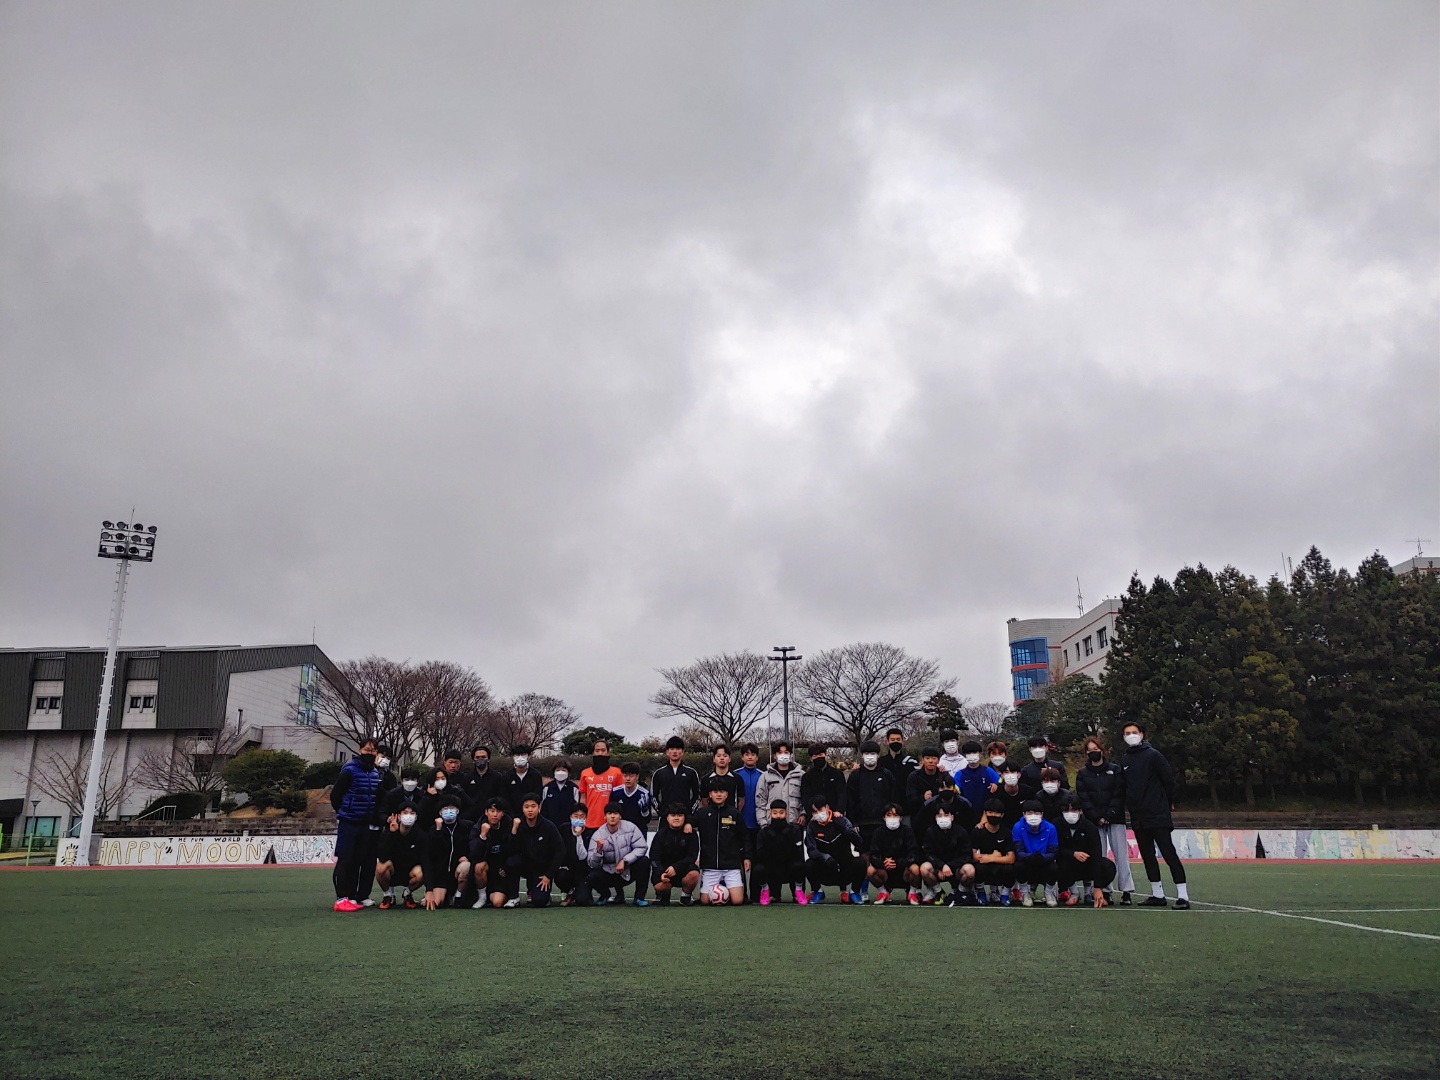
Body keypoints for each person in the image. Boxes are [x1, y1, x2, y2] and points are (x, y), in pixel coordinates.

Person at [1120, 722, 1189, 909]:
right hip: (1138, 817)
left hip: (1158, 814)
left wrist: (1167, 803)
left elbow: (1168, 780)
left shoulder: (1154, 755)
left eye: (1134, 732)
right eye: (1127, 733)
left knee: (1168, 853)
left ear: (1142, 734)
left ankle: (1183, 895)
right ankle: (1157, 894)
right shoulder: (1125, 759)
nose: (1131, 735)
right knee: (1147, 856)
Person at [1075, 736, 1134, 904]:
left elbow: (1119, 794)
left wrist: (1109, 815)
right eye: (1090, 749)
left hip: (1115, 819)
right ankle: (1105, 889)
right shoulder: (1082, 774)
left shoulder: (1115, 770)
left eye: (1096, 748)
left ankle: (1127, 891)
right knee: (1098, 857)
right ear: (1086, 752)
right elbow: (1084, 798)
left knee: (1121, 856)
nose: (1093, 752)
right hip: (1094, 822)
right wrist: (1096, 817)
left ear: (1102, 749)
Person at [329, 737, 383, 911]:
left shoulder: (374, 773)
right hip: (349, 822)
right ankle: (341, 897)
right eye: (367, 750)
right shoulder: (350, 770)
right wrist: (345, 811)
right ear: (360, 750)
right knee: (346, 859)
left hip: (364, 823)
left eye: (373, 750)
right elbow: (335, 795)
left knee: (358, 859)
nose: (370, 753)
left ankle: (352, 896)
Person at [582, 802, 651, 906]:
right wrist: (598, 851)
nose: (613, 816)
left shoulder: (631, 828)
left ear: (620, 816)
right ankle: (605, 895)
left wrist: (625, 860)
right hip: (608, 873)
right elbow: (592, 864)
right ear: (605, 817)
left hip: (627, 870)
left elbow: (641, 847)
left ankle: (639, 898)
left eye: (615, 813)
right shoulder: (597, 835)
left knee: (644, 861)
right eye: (609, 813)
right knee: (592, 876)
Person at [693, 776, 748, 905]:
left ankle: (724, 890)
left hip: (731, 866)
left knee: (738, 900)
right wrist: (689, 824)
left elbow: (744, 837)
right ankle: (719, 890)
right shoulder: (702, 813)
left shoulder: (734, 813)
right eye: (715, 792)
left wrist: (746, 857)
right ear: (710, 795)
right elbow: (688, 820)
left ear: (727, 794)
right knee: (705, 901)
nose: (719, 794)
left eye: (722, 792)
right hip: (710, 867)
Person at [801, 796, 865, 905]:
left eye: (820, 810)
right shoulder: (811, 826)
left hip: (845, 866)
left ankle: (854, 892)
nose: (818, 814)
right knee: (808, 864)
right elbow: (811, 850)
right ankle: (818, 891)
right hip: (826, 867)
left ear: (827, 807)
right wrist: (825, 858)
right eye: (814, 812)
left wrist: (844, 830)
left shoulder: (842, 820)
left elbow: (859, 843)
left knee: (861, 863)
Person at [1057, 792, 1115, 908]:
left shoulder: (1090, 828)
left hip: (1087, 865)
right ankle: (1074, 893)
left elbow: (1097, 856)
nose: (1070, 814)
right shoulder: (1056, 825)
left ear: (1080, 811)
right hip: (1068, 865)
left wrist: (1098, 887)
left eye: (1073, 810)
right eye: (1067, 811)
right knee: (1058, 864)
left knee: (1107, 866)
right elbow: (1055, 849)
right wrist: (1073, 853)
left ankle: (1093, 892)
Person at [846, 740, 897, 864]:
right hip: (862, 825)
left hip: (882, 823)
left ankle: (885, 882)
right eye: (867, 753)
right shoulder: (855, 776)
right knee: (865, 856)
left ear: (878, 755)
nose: (870, 756)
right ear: (862, 755)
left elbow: (893, 798)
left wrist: (891, 817)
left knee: (885, 854)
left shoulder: (886, 774)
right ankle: (864, 883)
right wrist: (854, 822)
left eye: (873, 753)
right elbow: (850, 800)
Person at [510, 792, 565, 907]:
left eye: (533, 806)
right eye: (526, 807)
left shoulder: (549, 826)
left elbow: (560, 851)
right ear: (522, 809)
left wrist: (548, 875)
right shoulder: (518, 825)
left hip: (542, 870)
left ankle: (537, 891)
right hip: (525, 866)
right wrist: (514, 831)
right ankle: (513, 897)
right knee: (512, 862)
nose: (530, 810)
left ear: (539, 808)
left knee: (539, 901)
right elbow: (511, 849)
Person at [422, 794, 472, 909]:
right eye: (445, 809)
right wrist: (438, 831)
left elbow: (473, 847)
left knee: (466, 867)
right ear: (440, 813)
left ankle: (458, 896)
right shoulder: (433, 830)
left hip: (457, 872)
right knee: (436, 903)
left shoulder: (466, 826)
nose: (449, 811)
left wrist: (468, 857)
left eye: (452, 808)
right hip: (440, 876)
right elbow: (430, 855)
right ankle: (446, 895)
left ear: (458, 811)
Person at [919, 801, 974, 906]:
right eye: (939, 815)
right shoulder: (930, 831)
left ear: (952, 817)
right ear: (935, 817)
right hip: (938, 869)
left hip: (957, 869)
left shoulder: (961, 832)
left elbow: (966, 855)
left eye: (946, 815)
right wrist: (941, 866)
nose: (942, 818)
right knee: (924, 868)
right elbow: (927, 853)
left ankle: (960, 892)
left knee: (970, 870)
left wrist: (950, 866)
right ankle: (939, 892)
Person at [753, 798, 806, 905]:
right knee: (758, 868)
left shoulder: (794, 830)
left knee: (800, 865)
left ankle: (798, 891)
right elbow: (760, 854)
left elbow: (798, 854)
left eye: (781, 813)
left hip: (789, 868)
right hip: (771, 868)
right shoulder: (763, 833)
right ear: (770, 814)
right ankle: (766, 890)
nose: (778, 816)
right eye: (775, 813)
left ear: (786, 814)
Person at [376, 799, 427, 909]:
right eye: (405, 813)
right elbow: (382, 856)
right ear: (398, 816)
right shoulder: (388, 831)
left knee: (422, 872)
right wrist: (392, 834)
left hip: (410, 872)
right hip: (393, 871)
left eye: (412, 813)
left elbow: (425, 859)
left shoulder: (421, 835)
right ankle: (387, 895)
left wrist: (430, 891)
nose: (408, 816)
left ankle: (407, 894)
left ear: (416, 817)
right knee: (381, 867)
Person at [866, 802, 919, 904]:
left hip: (904, 871)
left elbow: (914, 853)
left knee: (915, 869)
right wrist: (883, 863)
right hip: (885, 870)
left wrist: (897, 862)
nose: (892, 818)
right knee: (870, 870)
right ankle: (883, 892)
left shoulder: (907, 831)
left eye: (895, 815)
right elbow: (873, 855)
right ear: (884, 817)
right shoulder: (878, 832)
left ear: (901, 817)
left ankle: (912, 893)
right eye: (889, 815)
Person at [647, 803, 700, 905]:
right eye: (673, 815)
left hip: (683, 869)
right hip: (665, 871)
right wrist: (661, 873)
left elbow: (692, 856)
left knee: (694, 873)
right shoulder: (660, 834)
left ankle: (686, 896)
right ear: (667, 818)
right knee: (660, 886)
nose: (676, 818)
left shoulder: (691, 834)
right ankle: (664, 895)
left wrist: (675, 867)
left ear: (684, 818)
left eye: (680, 815)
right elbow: (654, 857)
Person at [470, 798, 518, 909]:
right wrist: (482, 837)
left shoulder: (509, 825)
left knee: (497, 902)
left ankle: (510, 896)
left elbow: (514, 850)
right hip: (486, 870)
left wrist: (505, 867)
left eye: (498, 811)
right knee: (479, 866)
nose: (495, 815)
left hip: (502, 871)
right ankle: (482, 896)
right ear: (486, 812)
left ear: (503, 813)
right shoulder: (478, 827)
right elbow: (474, 854)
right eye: (492, 811)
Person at [1012, 799, 1060, 907]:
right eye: (1029, 813)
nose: (1033, 816)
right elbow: (1019, 851)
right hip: (1027, 862)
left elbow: (1053, 852)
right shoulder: (1018, 827)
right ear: (1024, 814)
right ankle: (1025, 894)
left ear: (1042, 814)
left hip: (1044, 861)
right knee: (1018, 866)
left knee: (1054, 867)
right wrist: (1030, 856)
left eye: (1037, 813)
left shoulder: (1050, 828)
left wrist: (1042, 857)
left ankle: (1049, 893)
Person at [971, 798, 1017, 905]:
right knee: (977, 867)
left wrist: (991, 858)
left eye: (997, 813)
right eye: (990, 812)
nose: (993, 815)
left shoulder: (1007, 833)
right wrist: (989, 857)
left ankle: (1005, 894)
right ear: (985, 813)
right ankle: (981, 892)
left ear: (1002, 815)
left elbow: (1011, 858)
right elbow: (973, 855)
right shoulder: (977, 832)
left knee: (1011, 868)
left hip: (999, 866)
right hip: (984, 866)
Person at [577, 740, 625, 839]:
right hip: (590, 823)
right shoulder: (585, 773)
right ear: (593, 753)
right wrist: (581, 819)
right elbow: (583, 797)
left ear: (608, 752)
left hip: (611, 823)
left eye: (603, 750)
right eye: (597, 750)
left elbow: (621, 797)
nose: (600, 753)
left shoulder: (616, 773)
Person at [735, 743, 765, 899]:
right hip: (740, 826)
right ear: (742, 757)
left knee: (757, 860)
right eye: (746, 754)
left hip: (758, 825)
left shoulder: (763, 775)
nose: (750, 757)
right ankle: (742, 893)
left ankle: (756, 894)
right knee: (740, 861)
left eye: (753, 754)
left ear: (757, 757)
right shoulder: (735, 775)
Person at [754, 741, 805, 824]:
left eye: (786, 752)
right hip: (771, 825)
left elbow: (806, 798)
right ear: (774, 756)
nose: (783, 755)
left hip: (794, 825)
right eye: (780, 752)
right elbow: (760, 802)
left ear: (791, 755)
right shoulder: (765, 776)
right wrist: (763, 823)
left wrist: (804, 814)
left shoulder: (801, 775)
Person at [649, 736, 701, 814]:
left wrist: (690, 811)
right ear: (667, 752)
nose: (675, 752)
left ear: (682, 752)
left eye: (678, 749)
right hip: (665, 818)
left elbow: (697, 795)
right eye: (672, 749)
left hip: (685, 817)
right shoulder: (659, 773)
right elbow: (653, 796)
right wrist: (661, 811)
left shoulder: (691, 772)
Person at [954, 740, 1000, 826]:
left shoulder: (988, 771)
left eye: (974, 752)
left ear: (979, 753)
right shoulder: (959, 774)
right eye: (969, 753)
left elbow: (1001, 783)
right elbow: (955, 789)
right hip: (966, 815)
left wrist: (996, 785)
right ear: (965, 755)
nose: (972, 755)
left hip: (985, 815)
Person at [555, 804, 591, 905]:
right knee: (560, 875)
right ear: (571, 817)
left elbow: (583, 856)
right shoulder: (563, 829)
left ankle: (584, 891)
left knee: (582, 901)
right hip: (567, 868)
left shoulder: (589, 833)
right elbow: (559, 849)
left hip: (582, 871)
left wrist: (579, 837)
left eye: (582, 816)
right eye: (576, 816)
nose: (578, 819)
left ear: (586, 818)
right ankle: (570, 892)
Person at [800, 744, 846, 818]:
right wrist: (812, 813)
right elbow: (806, 798)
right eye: (815, 756)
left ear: (826, 755)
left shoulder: (837, 774)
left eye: (821, 754)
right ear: (811, 759)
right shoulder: (807, 777)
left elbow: (842, 794)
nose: (818, 757)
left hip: (836, 816)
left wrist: (839, 810)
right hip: (815, 816)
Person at [1019, 734, 1069, 798]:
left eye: (1040, 746)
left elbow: (1065, 787)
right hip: (1036, 804)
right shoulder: (1026, 771)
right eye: (1034, 747)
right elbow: (1025, 791)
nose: (1037, 749)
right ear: (1030, 749)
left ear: (1046, 748)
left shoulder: (1058, 766)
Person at [501, 744, 544, 817]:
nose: (520, 758)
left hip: (530, 816)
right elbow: (505, 798)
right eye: (517, 755)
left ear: (529, 756)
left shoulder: (536, 775)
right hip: (511, 817)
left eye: (523, 754)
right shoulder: (507, 776)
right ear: (513, 757)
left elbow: (538, 796)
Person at [611, 762, 655, 833]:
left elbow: (647, 819)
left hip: (639, 831)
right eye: (625, 776)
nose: (628, 779)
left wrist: (644, 810)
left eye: (631, 776)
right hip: (621, 832)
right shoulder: (616, 792)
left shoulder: (644, 794)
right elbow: (611, 814)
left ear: (637, 777)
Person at [540, 759, 581, 833]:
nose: (560, 772)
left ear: (568, 773)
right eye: (558, 770)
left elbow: (577, 809)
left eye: (564, 770)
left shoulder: (574, 788)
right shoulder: (547, 788)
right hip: (550, 828)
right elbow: (542, 808)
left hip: (569, 829)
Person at [880, 728, 918, 804]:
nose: (895, 742)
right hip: (886, 808)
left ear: (902, 741)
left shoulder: (911, 762)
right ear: (887, 741)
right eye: (892, 739)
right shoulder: (880, 762)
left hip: (907, 807)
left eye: (898, 739)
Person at [704, 745, 745, 814]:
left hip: (731, 819)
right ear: (714, 759)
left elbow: (741, 800)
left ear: (729, 759)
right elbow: (704, 800)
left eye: (725, 756)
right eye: (719, 756)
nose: (722, 758)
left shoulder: (737, 778)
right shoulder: (706, 779)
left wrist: (735, 814)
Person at [462, 745, 503, 812]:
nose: (480, 759)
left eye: (483, 757)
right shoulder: (467, 778)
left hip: (491, 815)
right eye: (477, 757)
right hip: (471, 816)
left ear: (488, 759)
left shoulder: (497, 777)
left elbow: (501, 798)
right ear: (473, 760)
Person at [994, 765, 1026, 832]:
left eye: (1013, 772)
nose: (1010, 775)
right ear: (1002, 775)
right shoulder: (996, 792)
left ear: (1019, 775)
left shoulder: (1027, 791)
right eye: (1006, 772)